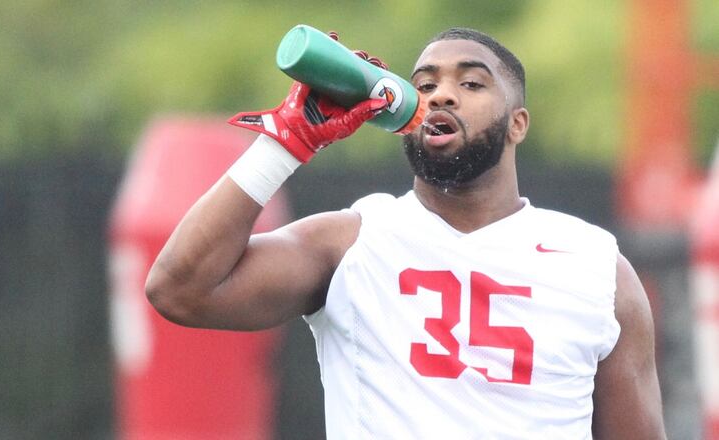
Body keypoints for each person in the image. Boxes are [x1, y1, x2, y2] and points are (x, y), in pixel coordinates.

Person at [145, 27, 667, 439]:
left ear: (518, 123)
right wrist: (286, 142)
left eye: (471, 83)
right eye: (425, 85)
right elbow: (179, 289)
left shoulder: (596, 266)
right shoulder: (352, 242)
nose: (442, 95)